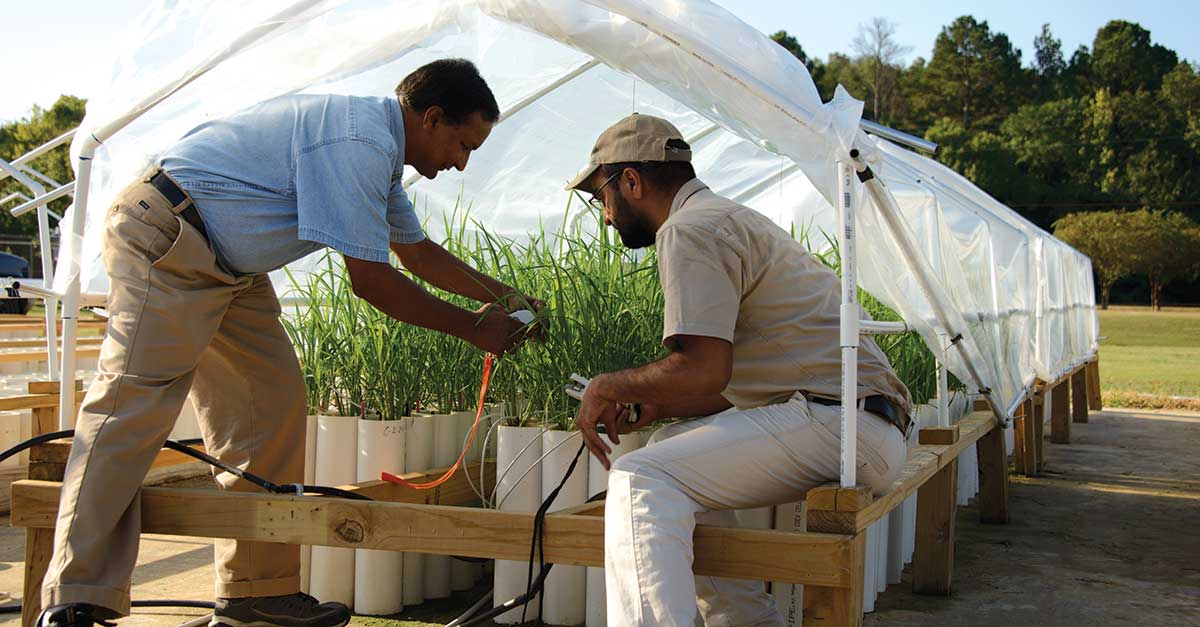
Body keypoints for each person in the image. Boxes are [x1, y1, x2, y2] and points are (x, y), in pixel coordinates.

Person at [40, 59, 540, 627]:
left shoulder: (378, 152)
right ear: (430, 118)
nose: (460, 162)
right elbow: (372, 282)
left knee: (270, 407)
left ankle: (254, 595)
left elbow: (416, 254)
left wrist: (505, 298)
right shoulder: (359, 141)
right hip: (170, 235)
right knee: (132, 404)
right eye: (461, 143)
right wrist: (476, 329)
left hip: (229, 266)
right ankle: (75, 597)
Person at [567, 114, 912, 626]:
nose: (605, 218)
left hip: (843, 424)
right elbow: (728, 380)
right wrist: (658, 404)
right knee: (665, 455)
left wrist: (606, 385)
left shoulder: (690, 230)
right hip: (863, 422)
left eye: (601, 198)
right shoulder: (724, 217)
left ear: (631, 182)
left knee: (640, 478)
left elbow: (702, 370)